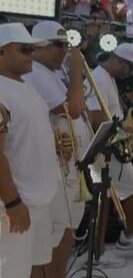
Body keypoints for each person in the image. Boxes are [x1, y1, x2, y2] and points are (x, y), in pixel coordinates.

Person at [23, 21, 91, 278]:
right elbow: (72, 108)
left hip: (68, 170)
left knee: (65, 236)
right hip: (55, 172)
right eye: (57, 44)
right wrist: (76, 71)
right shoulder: (36, 72)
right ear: (37, 48)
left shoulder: (50, 72)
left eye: (65, 45)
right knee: (55, 241)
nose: (63, 50)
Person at [86, 43, 133, 264]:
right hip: (102, 150)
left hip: (112, 148)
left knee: (132, 188)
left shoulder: (108, 78)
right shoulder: (97, 77)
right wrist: (124, 132)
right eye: (131, 68)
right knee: (103, 200)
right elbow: (95, 116)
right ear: (120, 62)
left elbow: (117, 106)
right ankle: (98, 254)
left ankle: (128, 236)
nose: (131, 73)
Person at [0, 23, 60, 277]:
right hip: (15, 204)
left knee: (34, 268)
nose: (31, 55)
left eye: (32, 49)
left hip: (39, 201)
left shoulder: (25, 85)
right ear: (2, 52)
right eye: (25, 49)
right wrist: (13, 204)